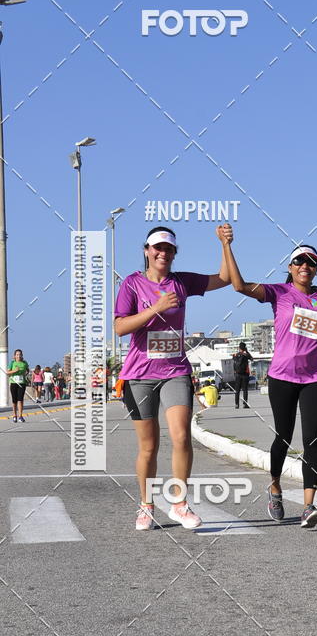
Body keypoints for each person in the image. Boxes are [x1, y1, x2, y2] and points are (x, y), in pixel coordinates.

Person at [219, 229, 317, 527]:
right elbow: (238, 286)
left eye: (311, 262)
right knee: (283, 438)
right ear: (290, 267)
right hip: (282, 376)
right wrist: (226, 245)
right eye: (299, 261)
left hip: (314, 376)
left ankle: (308, 506)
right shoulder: (278, 292)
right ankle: (275, 487)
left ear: (316, 269)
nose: (305, 266)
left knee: (312, 439)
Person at [114, 225, 232, 531]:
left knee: (181, 436)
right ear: (147, 251)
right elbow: (121, 327)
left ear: (174, 253)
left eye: (168, 249)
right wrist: (157, 307)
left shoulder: (182, 282)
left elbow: (225, 278)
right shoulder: (132, 284)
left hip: (175, 371)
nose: (162, 253)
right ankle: (146, 506)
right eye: (157, 248)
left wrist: (224, 244)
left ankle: (179, 504)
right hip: (139, 376)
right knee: (149, 446)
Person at [7, 349, 29, 423]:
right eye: (17, 354)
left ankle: (20, 416)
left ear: (22, 355)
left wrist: (25, 374)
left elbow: (27, 370)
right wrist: (14, 371)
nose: (18, 356)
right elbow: (8, 372)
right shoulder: (12, 363)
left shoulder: (24, 363)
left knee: (20, 400)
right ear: (14, 356)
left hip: (22, 383)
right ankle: (14, 415)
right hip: (13, 383)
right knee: (14, 401)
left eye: (20, 354)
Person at [233, 341, 253, 409]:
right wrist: (246, 351)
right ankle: (245, 404)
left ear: (239, 348)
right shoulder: (246, 354)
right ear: (245, 348)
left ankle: (236, 404)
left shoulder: (236, 354)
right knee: (245, 390)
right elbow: (252, 359)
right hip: (245, 374)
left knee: (237, 390)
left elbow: (234, 361)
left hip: (237, 374)